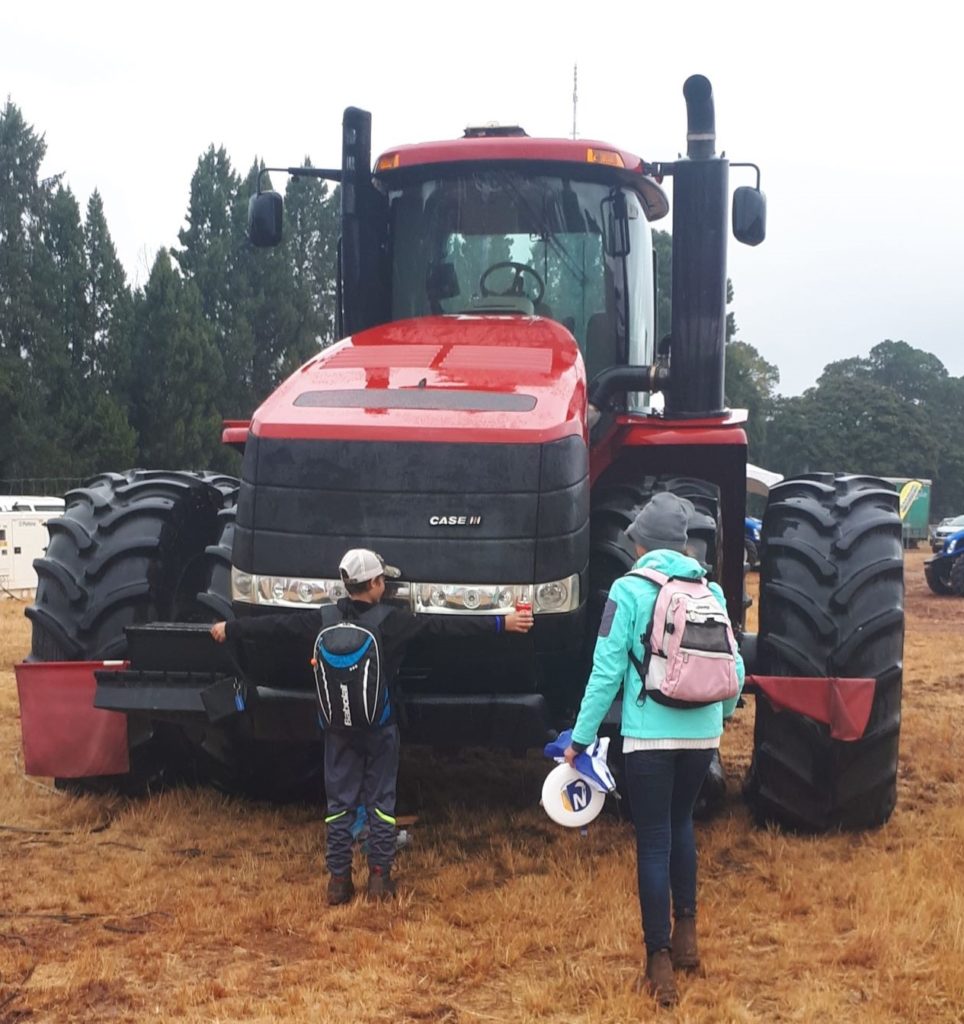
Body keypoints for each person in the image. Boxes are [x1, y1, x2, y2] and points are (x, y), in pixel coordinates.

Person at [211, 548, 533, 905]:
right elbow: (445, 626)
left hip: (336, 727)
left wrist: (230, 628)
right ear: (376, 583)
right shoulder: (393, 622)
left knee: (339, 802)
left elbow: (274, 627)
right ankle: (379, 878)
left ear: (347, 584)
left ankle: (338, 881)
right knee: (380, 800)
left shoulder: (324, 618)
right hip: (380, 725)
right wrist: (502, 623)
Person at [563, 492, 744, 1006]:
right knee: (682, 824)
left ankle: (658, 962)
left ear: (640, 541)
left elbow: (605, 672)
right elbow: (735, 670)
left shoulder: (627, 589)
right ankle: (686, 937)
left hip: (649, 738)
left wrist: (580, 739)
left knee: (654, 840)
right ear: (683, 543)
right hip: (701, 734)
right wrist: (719, 719)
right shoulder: (708, 589)